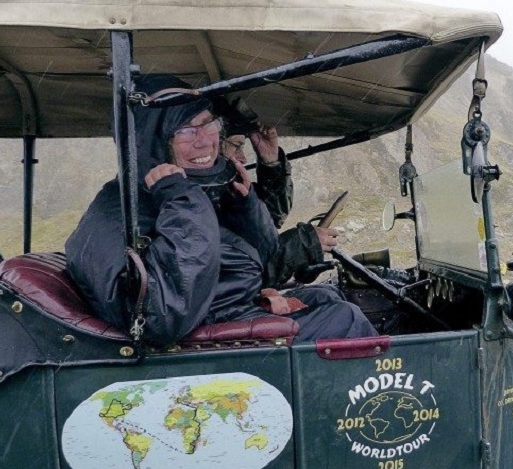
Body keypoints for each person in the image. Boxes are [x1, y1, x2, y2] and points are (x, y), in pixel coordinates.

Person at [65, 74, 375, 345]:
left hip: (224, 309)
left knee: (327, 296)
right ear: (154, 141)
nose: (205, 141)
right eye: (186, 130)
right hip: (206, 334)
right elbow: (163, 316)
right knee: (344, 319)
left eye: (208, 125)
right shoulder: (124, 210)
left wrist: (245, 207)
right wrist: (184, 199)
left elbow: (242, 260)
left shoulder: (169, 190)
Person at [218, 103, 340, 285]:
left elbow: (272, 218)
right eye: (236, 146)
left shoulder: (225, 192)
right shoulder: (196, 202)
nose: (243, 158)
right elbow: (236, 279)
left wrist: (271, 164)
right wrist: (302, 245)